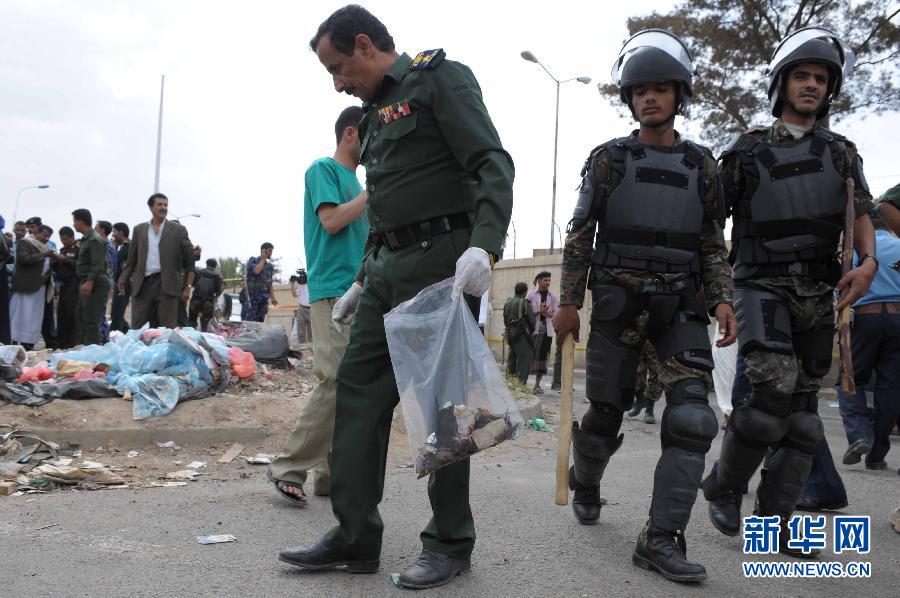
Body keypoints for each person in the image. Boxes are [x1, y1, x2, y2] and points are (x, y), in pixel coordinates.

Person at [278, 5, 514, 590]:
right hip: (383, 273)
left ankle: (450, 541)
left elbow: (492, 162)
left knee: (444, 410)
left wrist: (485, 245)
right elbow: (385, 206)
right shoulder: (373, 115)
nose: (337, 83)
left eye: (338, 67)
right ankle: (355, 534)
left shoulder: (439, 79)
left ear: (364, 45)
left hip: (439, 268)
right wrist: (362, 278)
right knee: (356, 394)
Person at [553, 30, 736, 583]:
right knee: (605, 414)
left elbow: (711, 243)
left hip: (680, 306)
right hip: (618, 305)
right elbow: (580, 235)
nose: (649, 98)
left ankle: (661, 539)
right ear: (629, 99)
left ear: (679, 95)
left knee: (693, 419)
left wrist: (722, 299)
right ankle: (587, 481)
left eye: (660, 89)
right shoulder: (608, 160)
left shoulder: (703, 166)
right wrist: (568, 302)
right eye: (639, 91)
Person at [701, 28, 877, 559]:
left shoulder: (841, 153)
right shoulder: (747, 151)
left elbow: (860, 212)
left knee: (802, 420)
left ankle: (774, 525)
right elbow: (710, 225)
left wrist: (868, 264)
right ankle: (724, 485)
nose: (812, 85)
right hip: (760, 284)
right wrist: (717, 293)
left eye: (821, 78)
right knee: (767, 401)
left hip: (818, 291)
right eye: (802, 75)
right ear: (782, 84)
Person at [269, 105, 369, 504]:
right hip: (331, 290)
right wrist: (372, 194)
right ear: (350, 133)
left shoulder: (359, 184)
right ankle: (287, 466)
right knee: (336, 378)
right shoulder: (323, 170)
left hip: (359, 291)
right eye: (369, 133)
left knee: (351, 385)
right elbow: (331, 221)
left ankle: (330, 475)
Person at [835, 210, 900, 471]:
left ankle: (858, 436)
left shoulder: (856, 250)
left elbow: (840, 287)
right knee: (890, 387)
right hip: (898, 320)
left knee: (850, 378)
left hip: (864, 319)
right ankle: (876, 455)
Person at [119, 193, 196, 329]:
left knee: (166, 329)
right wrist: (122, 278)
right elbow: (132, 260)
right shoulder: (139, 230)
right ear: (151, 207)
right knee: (138, 327)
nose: (163, 207)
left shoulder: (178, 230)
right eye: (160, 204)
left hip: (167, 285)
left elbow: (190, 257)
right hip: (143, 284)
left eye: (165, 205)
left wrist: (188, 287)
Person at [10, 224, 54, 350]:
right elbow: (24, 259)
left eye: (48, 236)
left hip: (39, 288)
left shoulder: (46, 248)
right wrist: (43, 254)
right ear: (36, 233)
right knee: (19, 315)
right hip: (25, 287)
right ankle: (13, 341)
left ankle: (28, 343)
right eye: (44, 235)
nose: (46, 238)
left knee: (34, 317)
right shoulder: (25, 243)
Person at [72, 210, 110, 345]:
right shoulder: (86, 239)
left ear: (80, 221)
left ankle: (93, 349)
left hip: (96, 282)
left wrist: (89, 282)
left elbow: (97, 264)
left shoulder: (95, 239)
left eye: (74, 221)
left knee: (91, 318)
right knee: (81, 314)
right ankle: (86, 346)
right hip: (88, 281)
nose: (74, 224)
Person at [527, 271, 557, 394]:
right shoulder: (531, 294)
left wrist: (546, 313)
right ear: (539, 280)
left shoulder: (552, 296)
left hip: (546, 330)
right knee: (530, 356)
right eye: (545, 280)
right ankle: (523, 383)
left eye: (549, 280)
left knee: (543, 358)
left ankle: (537, 385)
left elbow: (555, 314)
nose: (548, 282)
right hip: (533, 330)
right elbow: (526, 311)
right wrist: (538, 311)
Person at [52, 227, 81, 349]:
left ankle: (71, 343)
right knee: (61, 313)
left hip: (74, 284)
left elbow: (80, 266)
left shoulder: (79, 248)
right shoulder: (63, 250)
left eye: (65, 239)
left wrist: (66, 260)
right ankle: (61, 343)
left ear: (71, 237)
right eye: (61, 240)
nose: (63, 242)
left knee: (71, 314)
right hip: (63, 285)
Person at [503, 282, 536, 385]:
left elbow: (505, 321)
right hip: (522, 336)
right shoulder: (524, 302)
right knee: (523, 361)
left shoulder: (507, 303)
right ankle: (520, 385)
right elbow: (532, 321)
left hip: (510, 335)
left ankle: (510, 383)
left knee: (511, 360)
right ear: (525, 292)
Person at [626, 344, 662, 424]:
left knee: (656, 373)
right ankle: (640, 399)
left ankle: (649, 410)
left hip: (656, 341)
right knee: (635, 370)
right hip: (639, 340)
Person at [244, 243, 278, 322]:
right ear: (263, 251)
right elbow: (257, 271)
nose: (271, 253)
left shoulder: (269, 266)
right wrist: (263, 259)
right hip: (253, 299)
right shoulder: (253, 260)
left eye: (272, 251)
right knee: (250, 322)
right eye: (269, 251)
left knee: (260, 323)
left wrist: (273, 298)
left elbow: (269, 284)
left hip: (263, 299)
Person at [189, 258, 224, 331]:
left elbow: (193, 284)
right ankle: (203, 335)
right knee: (205, 325)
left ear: (206, 264)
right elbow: (219, 291)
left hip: (196, 300)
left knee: (191, 322)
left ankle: (190, 334)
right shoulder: (217, 276)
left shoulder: (199, 272)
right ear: (215, 266)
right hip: (208, 302)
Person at [110, 222, 131, 333]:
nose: (112, 234)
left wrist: (113, 247)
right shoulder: (120, 246)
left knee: (117, 311)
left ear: (121, 232)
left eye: (114, 231)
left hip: (125, 283)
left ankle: (115, 334)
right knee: (116, 312)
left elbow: (117, 259)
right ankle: (126, 331)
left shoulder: (128, 246)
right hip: (118, 281)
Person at [290, 269, 311, 345]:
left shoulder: (313, 284)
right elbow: (294, 294)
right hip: (302, 308)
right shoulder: (302, 286)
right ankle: (302, 348)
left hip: (312, 309)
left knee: (311, 332)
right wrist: (292, 283)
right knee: (301, 332)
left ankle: (311, 349)